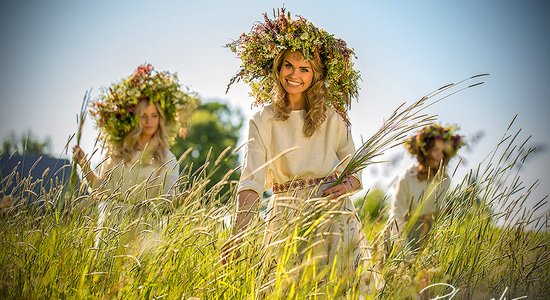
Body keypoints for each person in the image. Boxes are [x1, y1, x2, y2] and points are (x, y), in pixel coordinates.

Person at [223, 8, 382, 294]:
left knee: (337, 290)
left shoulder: (333, 117)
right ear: (278, 67)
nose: (294, 75)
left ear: (315, 75)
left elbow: (355, 170)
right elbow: (251, 182)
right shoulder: (262, 121)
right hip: (284, 213)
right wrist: (239, 232)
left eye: (304, 68)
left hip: (331, 212)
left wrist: (346, 184)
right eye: (288, 66)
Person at [72, 63, 198, 251]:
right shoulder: (118, 150)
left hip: (144, 229)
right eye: (143, 116)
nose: (149, 121)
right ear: (135, 118)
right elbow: (99, 188)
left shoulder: (167, 158)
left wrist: (183, 198)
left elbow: (168, 199)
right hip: (111, 226)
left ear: (160, 119)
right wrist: (84, 164)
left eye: (154, 115)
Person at [387, 124, 465, 251]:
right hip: (404, 236)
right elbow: (397, 217)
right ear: (424, 150)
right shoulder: (406, 179)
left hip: (430, 238)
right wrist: (403, 252)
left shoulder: (445, 180)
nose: (440, 156)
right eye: (435, 150)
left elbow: (439, 211)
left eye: (443, 152)